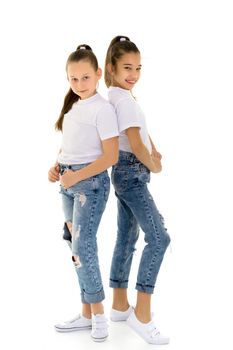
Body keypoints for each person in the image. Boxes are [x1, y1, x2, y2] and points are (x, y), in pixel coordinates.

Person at [48, 44, 119, 342]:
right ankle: (87, 313)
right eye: (73, 79)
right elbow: (72, 146)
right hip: (67, 183)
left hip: (89, 186)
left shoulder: (103, 109)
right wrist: (57, 165)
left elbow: (110, 157)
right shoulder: (74, 106)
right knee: (74, 247)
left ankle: (99, 313)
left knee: (83, 246)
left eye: (85, 78)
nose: (79, 85)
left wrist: (76, 174)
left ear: (98, 74)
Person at [104, 36, 171, 345]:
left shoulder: (118, 97)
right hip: (132, 172)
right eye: (127, 67)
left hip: (123, 171)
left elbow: (141, 133)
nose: (133, 74)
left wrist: (153, 150)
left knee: (127, 237)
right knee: (159, 237)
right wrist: (154, 165)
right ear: (111, 68)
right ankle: (141, 315)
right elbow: (134, 140)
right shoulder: (125, 101)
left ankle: (119, 304)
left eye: (138, 68)